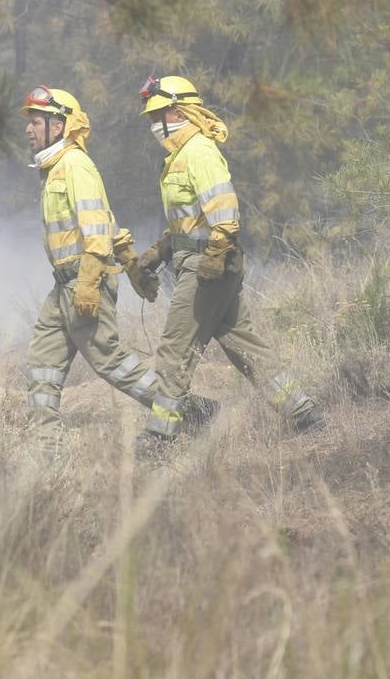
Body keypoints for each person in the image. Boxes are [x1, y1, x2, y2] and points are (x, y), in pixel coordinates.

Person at [134, 75, 321, 453]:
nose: (154, 123)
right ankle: (300, 410)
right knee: (240, 343)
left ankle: (160, 435)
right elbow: (192, 220)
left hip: (208, 263)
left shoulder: (199, 151)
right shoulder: (178, 157)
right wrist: (161, 250)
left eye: (159, 115)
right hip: (200, 257)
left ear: (179, 112)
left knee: (174, 347)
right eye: (152, 117)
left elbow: (224, 211)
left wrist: (215, 255)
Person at [21, 85, 207, 457]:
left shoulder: (75, 166)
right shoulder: (55, 169)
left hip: (83, 279)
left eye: (36, 121)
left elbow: (95, 232)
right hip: (64, 285)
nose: (28, 129)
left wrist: (89, 284)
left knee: (110, 361)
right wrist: (133, 267)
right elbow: (109, 222)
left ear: (58, 126)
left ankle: (192, 411)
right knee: (42, 364)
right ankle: (45, 451)